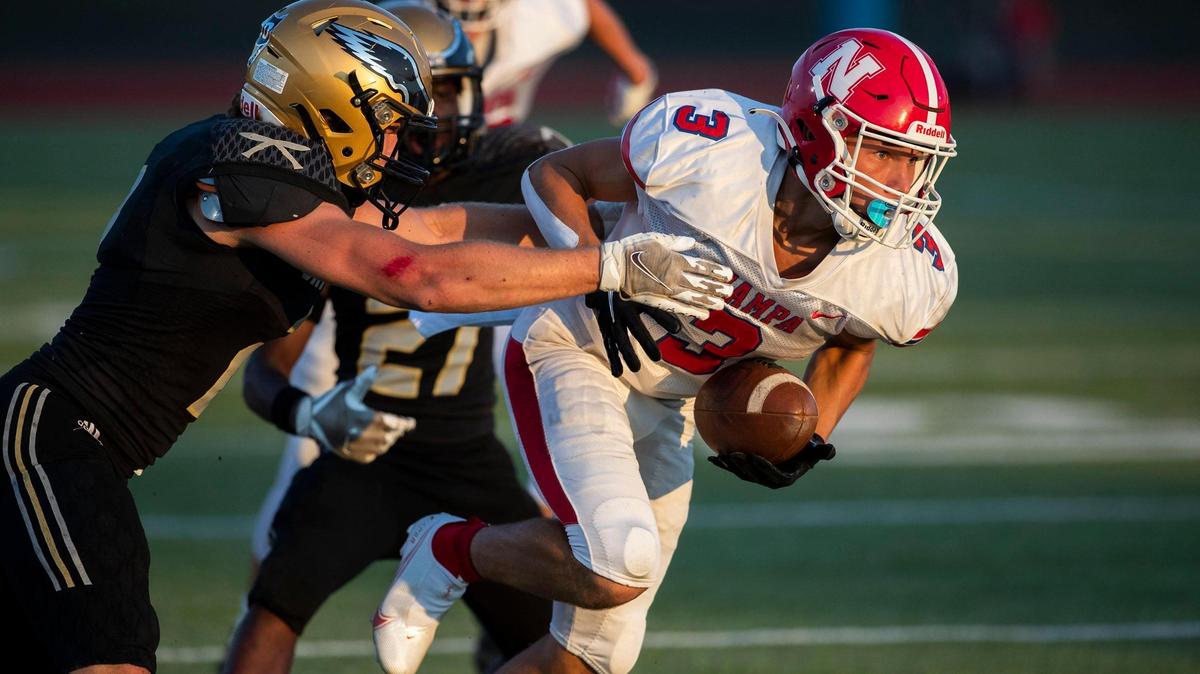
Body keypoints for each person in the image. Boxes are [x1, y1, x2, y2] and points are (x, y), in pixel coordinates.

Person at [0, 1, 734, 672]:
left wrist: (616, 225)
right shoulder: (239, 162)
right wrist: (607, 266)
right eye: (385, 116)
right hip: (56, 432)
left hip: (87, 444)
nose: (395, 138)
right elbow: (418, 273)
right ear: (324, 101)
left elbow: (437, 227)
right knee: (116, 656)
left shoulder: (270, 168)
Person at [371, 28, 960, 674]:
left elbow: (853, 339)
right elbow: (554, 173)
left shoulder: (900, 273)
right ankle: (448, 549)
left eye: (916, 159)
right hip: (580, 346)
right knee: (617, 563)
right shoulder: (718, 155)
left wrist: (810, 431)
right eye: (883, 151)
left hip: (671, 400)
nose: (902, 182)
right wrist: (591, 272)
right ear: (821, 130)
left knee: (594, 658)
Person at [223, 4, 573, 672]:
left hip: (468, 454)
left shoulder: (515, 166)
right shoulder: (339, 192)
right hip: (362, 456)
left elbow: (593, 198)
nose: (434, 114)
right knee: (273, 604)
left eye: (447, 91)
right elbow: (266, 370)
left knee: (555, 629)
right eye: (420, 96)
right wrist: (313, 415)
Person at [436, 0, 657, 127]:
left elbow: (582, 9)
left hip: (497, 143)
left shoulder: (532, 24)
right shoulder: (406, 18)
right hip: (422, 145)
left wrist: (636, 69)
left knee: (554, 163)